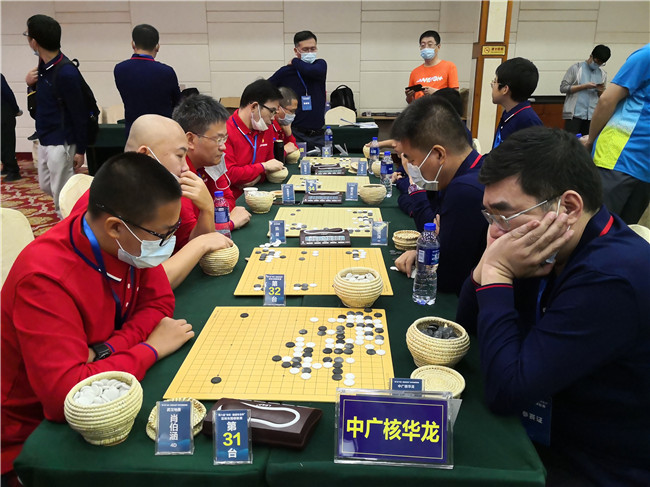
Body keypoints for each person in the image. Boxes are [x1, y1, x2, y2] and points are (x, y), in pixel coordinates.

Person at [456, 127, 650, 486]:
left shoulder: (611, 278)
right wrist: (487, 264)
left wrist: (498, 272)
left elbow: (506, 392)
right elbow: (466, 328)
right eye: (489, 217)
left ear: (569, 207)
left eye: (504, 215)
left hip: (594, 466)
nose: (496, 230)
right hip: (550, 427)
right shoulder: (551, 247)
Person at [1, 153, 197, 484]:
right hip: (29, 439)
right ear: (115, 227)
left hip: (100, 371)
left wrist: (109, 348)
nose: (168, 243)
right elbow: (66, 396)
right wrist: (150, 349)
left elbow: (160, 301)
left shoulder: (124, 242)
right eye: (162, 235)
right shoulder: (44, 279)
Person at [71, 114, 233, 289]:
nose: (186, 167)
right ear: (145, 155)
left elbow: (185, 248)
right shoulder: (110, 202)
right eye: (180, 156)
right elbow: (147, 284)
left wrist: (207, 209)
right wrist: (200, 245)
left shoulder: (156, 192)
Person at [390, 96, 488, 294]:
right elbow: (438, 238)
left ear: (439, 154)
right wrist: (424, 250)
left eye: (413, 160)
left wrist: (427, 256)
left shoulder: (465, 191)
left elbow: (446, 276)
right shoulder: (469, 171)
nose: (412, 168)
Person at [24, 14, 88, 217]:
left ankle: (69, 225)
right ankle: (79, 210)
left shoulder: (66, 72)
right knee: (47, 185)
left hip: (62, 140)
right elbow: (39, 104)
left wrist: (80, 149)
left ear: (34, 42)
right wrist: (30, 85)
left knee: (61, 194)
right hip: (45, 136)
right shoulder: (42, 68)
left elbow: (79, 113)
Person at [585, 43, 650, 225]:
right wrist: (591, 140)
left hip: (645, 169)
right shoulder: (646, 55)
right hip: (618, 157)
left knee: (622, 233)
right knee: (595, 229)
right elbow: (607, 100)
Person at [172, 94, 251, 241]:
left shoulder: (211, 161)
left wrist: (211, 218)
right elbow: (190, 238)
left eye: (225, 138)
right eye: (218, 139)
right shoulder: (179, 173)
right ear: (190, 140)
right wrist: (228, 224)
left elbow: (227, 200)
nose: (223, 147)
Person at [114, 24, 181, 137]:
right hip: (163, 132)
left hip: (134, 131)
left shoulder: (120, 69)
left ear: (133, 44)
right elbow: (178, 103)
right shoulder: (166, 72)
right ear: (157, 47)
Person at [224, 79, 285, 200]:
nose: (273, 118)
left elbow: (272, 166)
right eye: (272, 111)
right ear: (254, 107)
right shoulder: (225, 131)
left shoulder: (265, 127)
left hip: (261, 194)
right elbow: (229, 175)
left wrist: (258, 176)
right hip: (234, 199)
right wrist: (262, 167)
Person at [268, 31, 327, 150]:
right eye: (305, 49)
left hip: (318, 134)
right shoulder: (286, 72)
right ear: (296, 51)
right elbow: (265, 88)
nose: (309, 52)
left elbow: (309, 71)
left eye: (313, 49)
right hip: (296, 132)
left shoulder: (320, 65)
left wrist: (295, 61)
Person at [491, 57, 543, 149]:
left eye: (495, 81)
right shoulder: (509, 114)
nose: (492, 85)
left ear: (505, 89)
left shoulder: (528, 121)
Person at [560, 45, 611, 135]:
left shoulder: (602, 74)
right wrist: (584, 86)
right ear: (591, 56)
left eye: (601, 63)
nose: (597, 64)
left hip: (591, 116)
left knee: (587, 141)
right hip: (574, 115)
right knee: (570, 141)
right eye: (596, 61)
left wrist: (600, 91)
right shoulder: (576, 68)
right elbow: (563, 88)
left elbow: (602, 97)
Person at [405, 30, 459, 104]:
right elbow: (410, 102)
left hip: (441, 108)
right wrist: (408, 96)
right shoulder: (415, 72)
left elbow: (455, 97)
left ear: (438, 47)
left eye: (430, 45)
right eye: (423, 45)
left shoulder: (449, 66)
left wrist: (437, 92)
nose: (426, 48)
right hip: (420, 109)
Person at [1, 74, 22, 181]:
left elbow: (8, 94)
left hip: (4, 114)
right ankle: (6, 166)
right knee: (3, 144)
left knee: (7, 144)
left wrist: (15, 109)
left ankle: (13, 171)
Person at [271, 86, 299, 156]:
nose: (293, 114)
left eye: (295, 111)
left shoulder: (283, 126)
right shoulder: (268, 125)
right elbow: (266, 157)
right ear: (278, 108)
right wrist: (284, 151)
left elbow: (295, 151)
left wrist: (289, 135)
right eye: (291, 111)